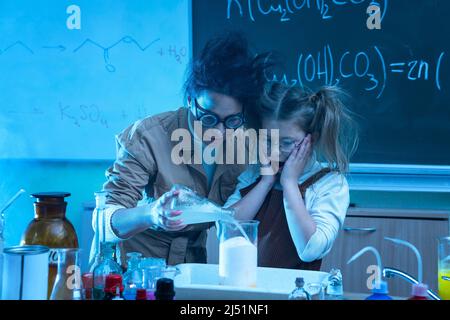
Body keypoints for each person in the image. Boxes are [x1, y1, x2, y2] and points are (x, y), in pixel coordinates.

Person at [91, 32, 272, 266]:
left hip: (191, 268)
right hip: (133, 269)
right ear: (189, 98)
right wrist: (152, 213)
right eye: (208, 118)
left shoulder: (248, 144)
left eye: (232, 121)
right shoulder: (149, 135)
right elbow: (103, 220)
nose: (219, 131)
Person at [224, 82, 359, 270]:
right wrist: (265, 182)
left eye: (287, 142)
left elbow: (311, 249)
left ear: (312, 139)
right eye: (268, 140)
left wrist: (289, 183)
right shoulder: (255, 174)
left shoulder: (330, 185)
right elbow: (226, 230)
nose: (275, 152)